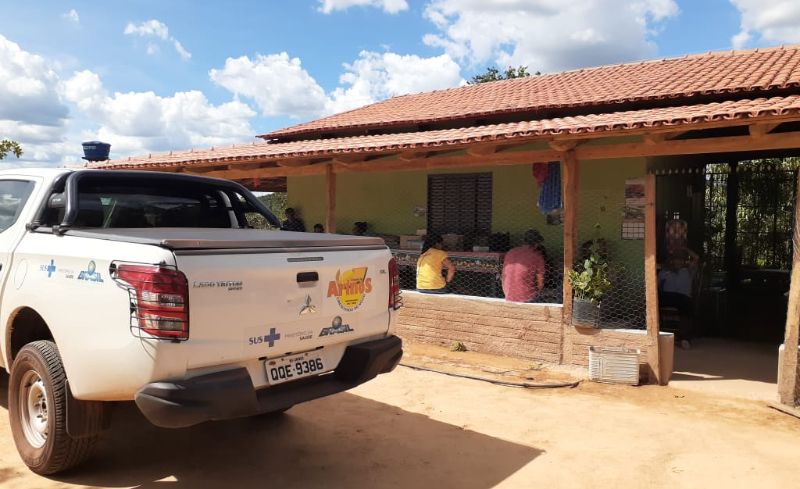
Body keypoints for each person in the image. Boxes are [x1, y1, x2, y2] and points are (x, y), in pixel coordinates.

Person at [658, 248, 699, 349]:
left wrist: (684, 248)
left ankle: (684, 338)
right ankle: (653, 333)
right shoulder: (664, 272)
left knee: (687, 306)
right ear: (671, 261)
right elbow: (657, 285)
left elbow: (696, 258)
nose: (678, 262)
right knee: (652, 302)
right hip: (668, 296)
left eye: (680, 260)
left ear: (684, 262)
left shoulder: (688, 271)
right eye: (675, 260)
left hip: (683, 298)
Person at [502, 230, 547, 302]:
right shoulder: (537, 256)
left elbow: (503, 276)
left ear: (524, 241)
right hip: (527, 299)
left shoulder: (510, 252)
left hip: (508, 296)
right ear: (537, 244)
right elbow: (540, 284)